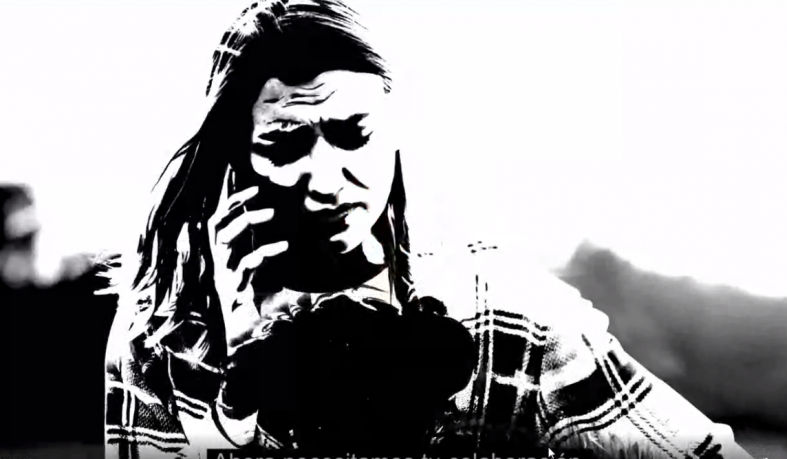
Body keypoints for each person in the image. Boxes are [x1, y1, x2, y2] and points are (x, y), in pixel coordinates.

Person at [103, 1, 754, 458]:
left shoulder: (504, 313)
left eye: (353, 133)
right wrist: (237, 389)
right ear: (234, 154)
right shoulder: (163, 334)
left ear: (393, 131)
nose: (325, 178)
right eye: (285, 141)